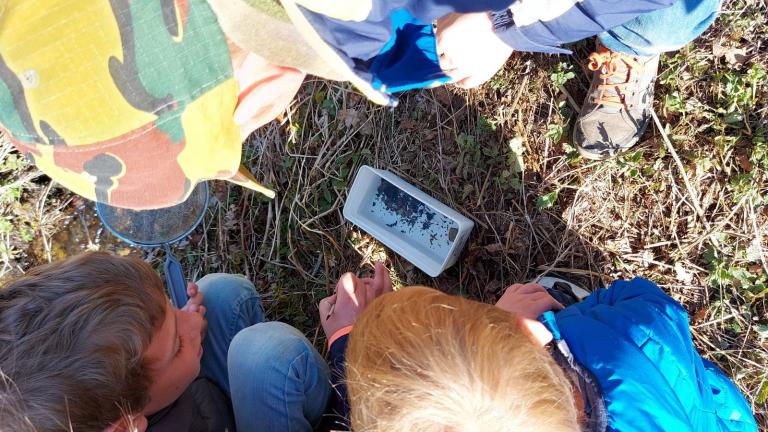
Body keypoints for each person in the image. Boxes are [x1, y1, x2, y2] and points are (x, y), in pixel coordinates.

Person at [318, 271, 759, 431]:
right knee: (547, 291)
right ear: (526, 334)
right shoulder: (631, 344)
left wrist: (345, 343)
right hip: (687, 404)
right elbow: (646, 303)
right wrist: (556, 322)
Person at [0, 251, 332, 432]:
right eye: (176, 347)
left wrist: (178, 332)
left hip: (204, 403)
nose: (193, 321)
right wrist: (344, 340)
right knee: (269, 353)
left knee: (220, 293)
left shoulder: (105, 406)